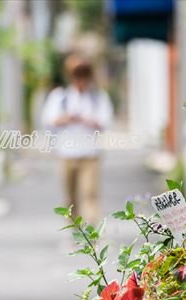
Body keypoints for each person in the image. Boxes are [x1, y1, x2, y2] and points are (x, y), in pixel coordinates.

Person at [41, 56, 113, 225]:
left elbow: (105, 122)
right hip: (66, 155)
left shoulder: (98, 97)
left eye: (83, 76)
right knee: (70, 198)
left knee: (90, 195)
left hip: (90, 155)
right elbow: (48, 121)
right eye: (77, 76)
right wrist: (66, 119)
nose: (80, 80)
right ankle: (75, 234)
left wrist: (86, 120)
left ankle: (91, 234)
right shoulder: (60, 97)